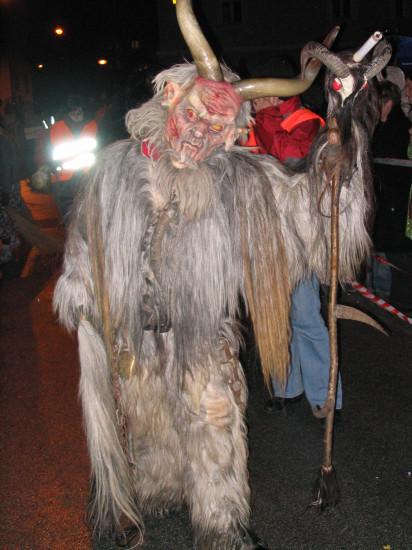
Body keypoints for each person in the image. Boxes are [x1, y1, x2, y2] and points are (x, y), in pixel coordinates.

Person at [52, 2, 385, 546]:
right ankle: (141, 499)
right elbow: (85, 248)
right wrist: (83, 290)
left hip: (203, 341)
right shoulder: (112, 170)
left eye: (216, 128)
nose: (198, 135)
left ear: (232, 137)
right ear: (170, 97)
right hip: (130, 339)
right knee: (139, 425)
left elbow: (313, 218)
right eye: (194, 115)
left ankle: (222, 528)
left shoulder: (239, 181)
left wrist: (342, 133)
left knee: (212, 422)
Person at [245, 85, 343, 421]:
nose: (254, 100)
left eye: (260, 94)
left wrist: (265, 117)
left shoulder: (307, 121)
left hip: (298, 235)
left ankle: (324, 396)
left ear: (275, 94)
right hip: (262, 234)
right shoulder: (251, 122)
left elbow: (291, 159)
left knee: (305, 316)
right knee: (274, 316)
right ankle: (287, 387)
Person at [370, 80, 412, 300]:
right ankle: (376, 292)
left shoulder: (400, 127)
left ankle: (387, 293)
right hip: (381, 197)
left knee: (390, 246)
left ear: (387, 103)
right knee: (378, 241)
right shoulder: (377, 126)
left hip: (396, 199)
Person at [32, 94, 98, 223]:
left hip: (89, 182)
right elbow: (42, 155)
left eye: (79, 111)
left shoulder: (94, 126)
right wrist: (44, 169)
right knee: (71, 223)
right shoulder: (55, 129)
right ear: (67, 112)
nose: (76, 115)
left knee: (88, 224)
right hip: (64, 186)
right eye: (73, 112)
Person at [0, 122, 22, 264]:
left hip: (6, 186)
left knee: (4, 220)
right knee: (10, 216)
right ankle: (13, 242)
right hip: (11, 185)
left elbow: (6, 167)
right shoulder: (6, 140)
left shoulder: (2, 141)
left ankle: (6, 250)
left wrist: (6, 191)